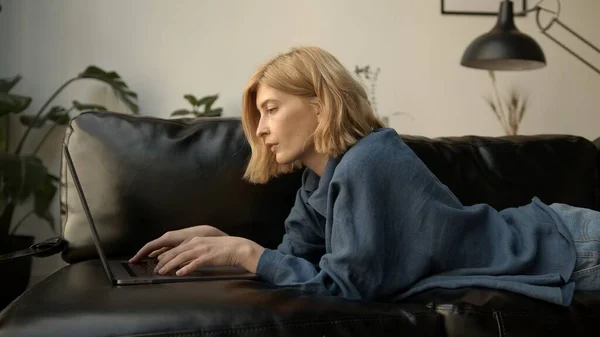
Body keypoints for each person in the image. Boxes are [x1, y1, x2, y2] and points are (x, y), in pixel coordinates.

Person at [130, 46, 600, 306]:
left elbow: (350, 287)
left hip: (568, 246)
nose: (262, 128)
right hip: (559, 239)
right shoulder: (315, 184)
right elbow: (298, 268)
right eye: (260, 115)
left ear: (320, 101)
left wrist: (244, 251)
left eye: (271, 109)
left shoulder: (372, 160)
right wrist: (225, 244)